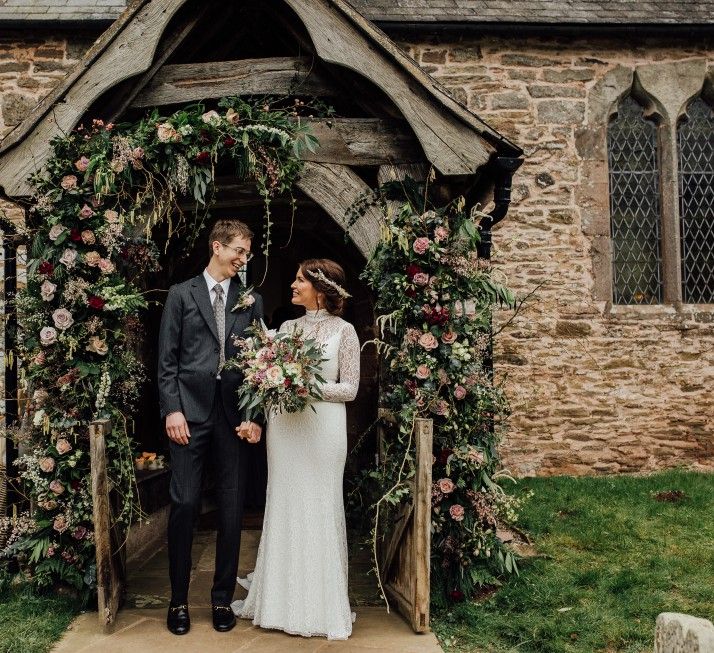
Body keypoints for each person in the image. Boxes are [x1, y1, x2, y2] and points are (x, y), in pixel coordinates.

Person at [234, 258, 360, 640]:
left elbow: (350, 388)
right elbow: (267, 378)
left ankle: (321, 606)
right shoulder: (286, 328)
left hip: (323, 432)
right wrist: (273, 384)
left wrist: (305, 386)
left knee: (320, 504)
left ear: (320, 289)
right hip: (285, 430)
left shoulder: (346, 332)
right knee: (285, 502)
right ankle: (279, 602)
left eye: (299, 280)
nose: (292, 285)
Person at [157, 219, 264, 636]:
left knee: (232, 509)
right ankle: (178, 600)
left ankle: (221, 599)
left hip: (234, 417)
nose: (243, 259)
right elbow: (167, 361)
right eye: (239, 250)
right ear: (217, 247)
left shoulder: (249, 301)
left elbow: (259, 366)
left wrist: (253, 416)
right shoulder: (181, 295)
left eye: (247, 253)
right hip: (189, 415)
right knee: (184, 504)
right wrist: (172, 410)